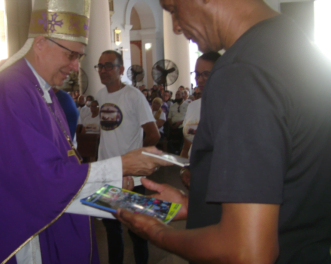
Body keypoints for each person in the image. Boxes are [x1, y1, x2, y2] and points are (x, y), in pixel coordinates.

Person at [114, 0, 331, 263]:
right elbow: (288, 183)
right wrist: (197, 206)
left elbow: (247, 251)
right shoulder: (297, 45)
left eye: (173, 9)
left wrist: (156, 232)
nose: (176, 27)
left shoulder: (241, 72)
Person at [0, 1, 172, 263]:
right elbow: (43, 184)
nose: (77, 67)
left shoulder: (43, 92)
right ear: (40, 42)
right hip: (28, 235)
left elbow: (62, 175)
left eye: (80, 57)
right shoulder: (10, 92)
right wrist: (122, 165)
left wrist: (147, 205)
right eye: (71, 55)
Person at [95, 50, 160, 264]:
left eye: (108, 66)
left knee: (137, 231)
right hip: (108, 174)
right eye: (100, 66)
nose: (103, 70)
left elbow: (153, 133)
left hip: (131, 176)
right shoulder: (101, 95)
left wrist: (138, 162)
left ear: (121, 69)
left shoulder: (133, 96)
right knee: (112, 231)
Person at [180, 52, 221, 160]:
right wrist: (184, 168)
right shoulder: (192, 106)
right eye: (197, 74)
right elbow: (187, 146)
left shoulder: (229, 107)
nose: (200, 80)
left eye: (206, 74)